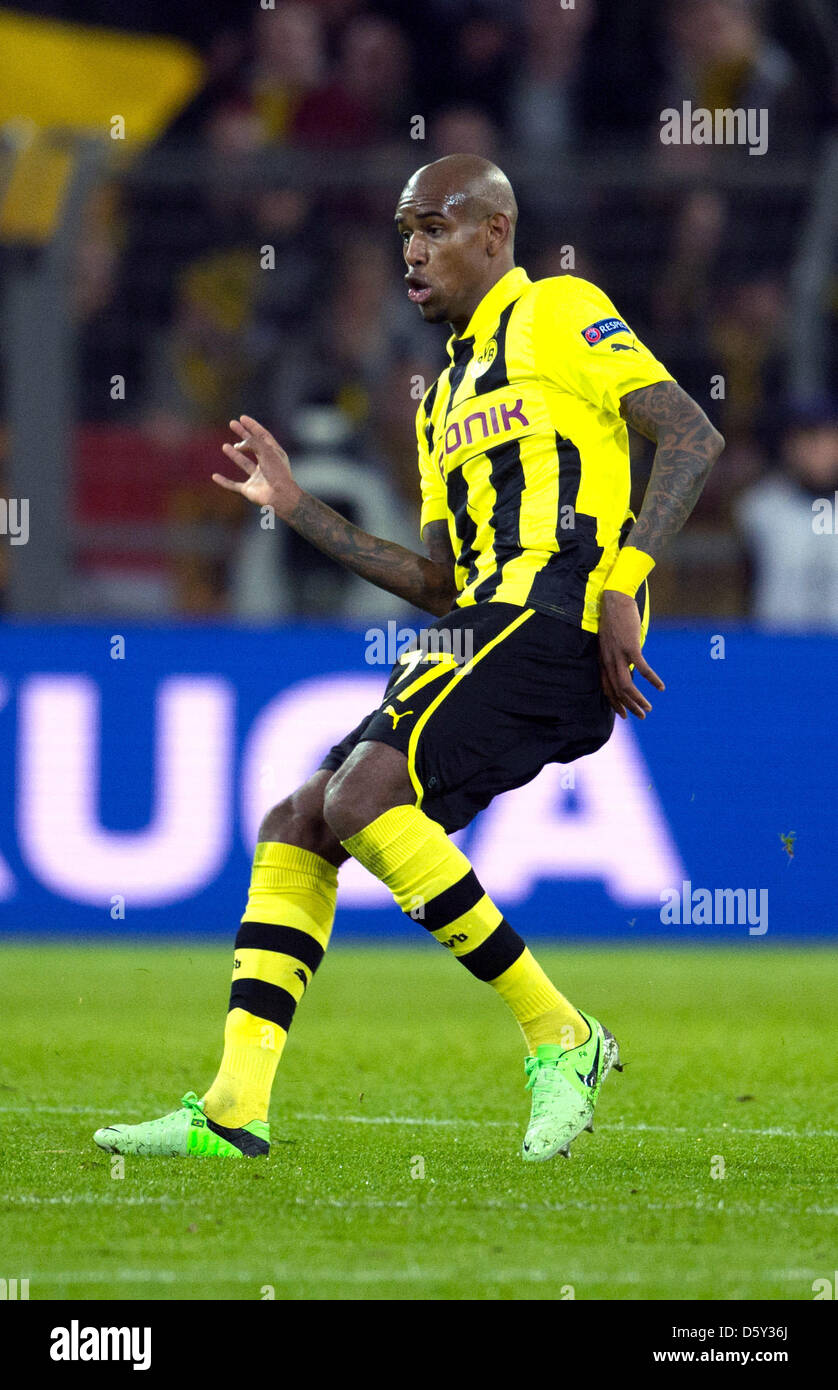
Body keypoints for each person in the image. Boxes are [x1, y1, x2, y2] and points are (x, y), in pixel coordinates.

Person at [93, 154, 723, 1164]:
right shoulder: (441, 397)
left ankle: (560, 1033)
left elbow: (690, 435)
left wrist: (623, 580)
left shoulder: (557, 311)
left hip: (557, 617)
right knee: (299, 820)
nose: (412, 251)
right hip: (474, 626)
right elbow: (439, 581)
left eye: (433, 226)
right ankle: (232, 1106)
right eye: (402, 233)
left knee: (361, 795)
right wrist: (302, 513)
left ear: (495, 234)